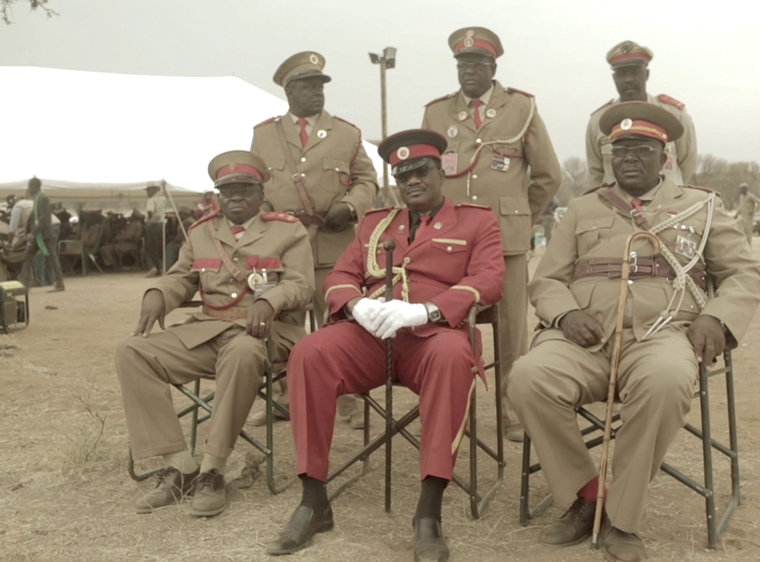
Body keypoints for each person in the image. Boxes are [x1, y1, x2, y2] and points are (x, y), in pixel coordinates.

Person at [507, 102, 760, 562]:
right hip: (585, 339)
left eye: (641, 149)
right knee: (528, 378)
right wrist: (564, 315)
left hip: (663, 335)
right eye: (619, 148)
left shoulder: (702, 207)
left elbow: (745, 274)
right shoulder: (583, 208)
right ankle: (589, 497)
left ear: (665, 155)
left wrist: (717, 319)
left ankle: (622, 521)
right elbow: (545, 280)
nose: (628, 157)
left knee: (665, 381)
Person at [265, 130, 505, 560]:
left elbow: (489, 280)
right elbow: (340, 276)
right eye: (402, 174)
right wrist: (355, 305)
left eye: (421, 171)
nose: (411, 180)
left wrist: (427, 310)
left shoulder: (477, 220)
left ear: (440, 172)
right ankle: (312, 500)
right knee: (309, 353)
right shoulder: (376, 223)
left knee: (453, 357)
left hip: (434, 336)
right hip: (372, 335)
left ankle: (428, 512)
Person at [116, 150, 314, 518]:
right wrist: (158, 294)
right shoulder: (201, 231)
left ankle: (213, 469)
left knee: (241, 352)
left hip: (267, 332)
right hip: (208, 331)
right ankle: (181, 467)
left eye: (244, 189)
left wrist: (270, 301)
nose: (235, 196)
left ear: (260, 192)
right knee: (132, 351)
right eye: (227, 190)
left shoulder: (287, 229)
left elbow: (302, 285)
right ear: (218, 195)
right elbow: (181, 276)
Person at [421, 27, 561, 442]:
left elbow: (548, 175)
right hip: (450, 241)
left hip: (505, 241)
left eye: (478, 64)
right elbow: (422, 174)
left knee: (511, 330)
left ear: (493, 67)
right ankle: (448, 410)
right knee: (443, 325)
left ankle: (512, 412)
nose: (469, 72)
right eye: (462, 64)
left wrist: (520, 217)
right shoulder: (436, 113)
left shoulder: (521, 107)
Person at [249, 51, 379, 429]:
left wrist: (351, 207)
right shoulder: (264, 135)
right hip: (281, 247)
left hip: (332, 243)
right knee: (282, 321)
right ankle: (283, 400)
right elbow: (257, 186)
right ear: (289, 91)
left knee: (340, 323)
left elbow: (367, 180)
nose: (317, 93)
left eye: (320, 86)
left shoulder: (347, 133)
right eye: (307, 86)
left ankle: (350, 404)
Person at [585, 41, 698, 188]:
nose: (629, 79)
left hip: (666, 207)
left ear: (647, 74)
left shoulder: (675, 116)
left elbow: (687, 165)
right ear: (614, 78)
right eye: (622, 73)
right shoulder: (598, 121)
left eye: (635, 71)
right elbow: (596, 174)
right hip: (615, 208)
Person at [18, 177, 65, 292]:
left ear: (35, 187)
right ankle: (25, 282)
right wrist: (29, 232)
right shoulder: (37, 199)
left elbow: (44, 218)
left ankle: (59, 283)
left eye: (30, 186)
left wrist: (33, 234)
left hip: (44, 234)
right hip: (39, 235)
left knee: (52, 258)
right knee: (28, 255)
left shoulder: (43, 199)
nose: (28, 189)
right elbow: (33, 217)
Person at [144, 183, 167, 277]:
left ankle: (152, 267)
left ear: (153, 190)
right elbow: (165, 196)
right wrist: (164, 187)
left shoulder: (151, 200)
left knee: (149, 248)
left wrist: (150, 221)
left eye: (149, 191)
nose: (147, 193)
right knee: (157, 248)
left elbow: (150, 212)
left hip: (153, 225)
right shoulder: (162, 199)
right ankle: (159, 269)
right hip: (161, 225)